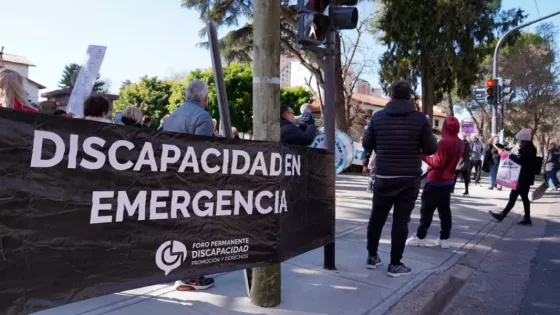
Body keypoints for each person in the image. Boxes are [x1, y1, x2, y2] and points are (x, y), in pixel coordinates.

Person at [362, 80, 437, 277]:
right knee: (400, 221)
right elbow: (430, 149)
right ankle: (395, 264)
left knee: (376, 217)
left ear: (392, 96)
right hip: (408, 178)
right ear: (410, 96)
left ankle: (372, 256)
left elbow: (367, 143)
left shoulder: (377, 118)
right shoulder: (420, 119)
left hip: (384, 175)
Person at [162, 80, 215, 291]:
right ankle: (192, 276)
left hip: (173, 179)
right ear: (205, 98)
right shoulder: (203, 117)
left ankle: (178, 270)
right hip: (194, 181)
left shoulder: (172, 116)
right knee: (195, 227)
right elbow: (203, 154)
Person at [406, 117, 463, 249]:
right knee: (445, 211)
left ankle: (420, 237)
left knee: (427, 211)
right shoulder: (461, 143)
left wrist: (423, 156)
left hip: (435, 181)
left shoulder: (443, 143)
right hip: (448, 181)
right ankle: (444, 238)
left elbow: (437, 163)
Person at [489, 129, 537, 225]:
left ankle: (503, 215)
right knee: (522, 197)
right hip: (524, 177)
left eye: (520, 140)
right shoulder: (529, 147)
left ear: (524, 139)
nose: (519, 142)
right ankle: (526, 218)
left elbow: (521, 161)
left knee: (515, 197)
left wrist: (509, 155)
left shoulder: (528, 149)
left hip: (523, 178)